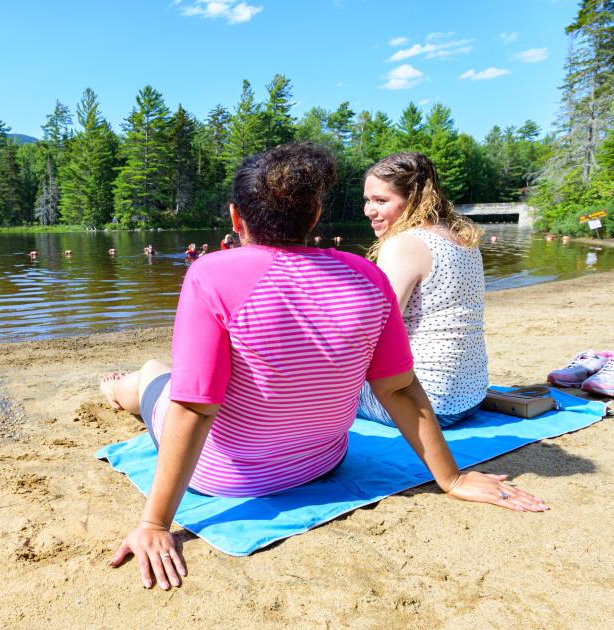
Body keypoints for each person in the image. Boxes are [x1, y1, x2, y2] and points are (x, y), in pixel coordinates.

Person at [99, 143, 546, 591]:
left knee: (156, 373)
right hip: (321, 462)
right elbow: (399, 389)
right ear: (314, 216)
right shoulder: (367, 276)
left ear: (237, 218)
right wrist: (451, 478)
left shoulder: (210, 273)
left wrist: (156, 523)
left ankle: (119, 387)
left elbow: (195, 407)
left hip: (226, 478)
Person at [358, 152, 487, 428]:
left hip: (426, 404)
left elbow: (378, 330)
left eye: (381, 201)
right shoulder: (463, 240)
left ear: (414, 198)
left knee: (310, 390)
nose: (369, 210)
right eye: (368, 200)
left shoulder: (405, 244)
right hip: (470, 397)